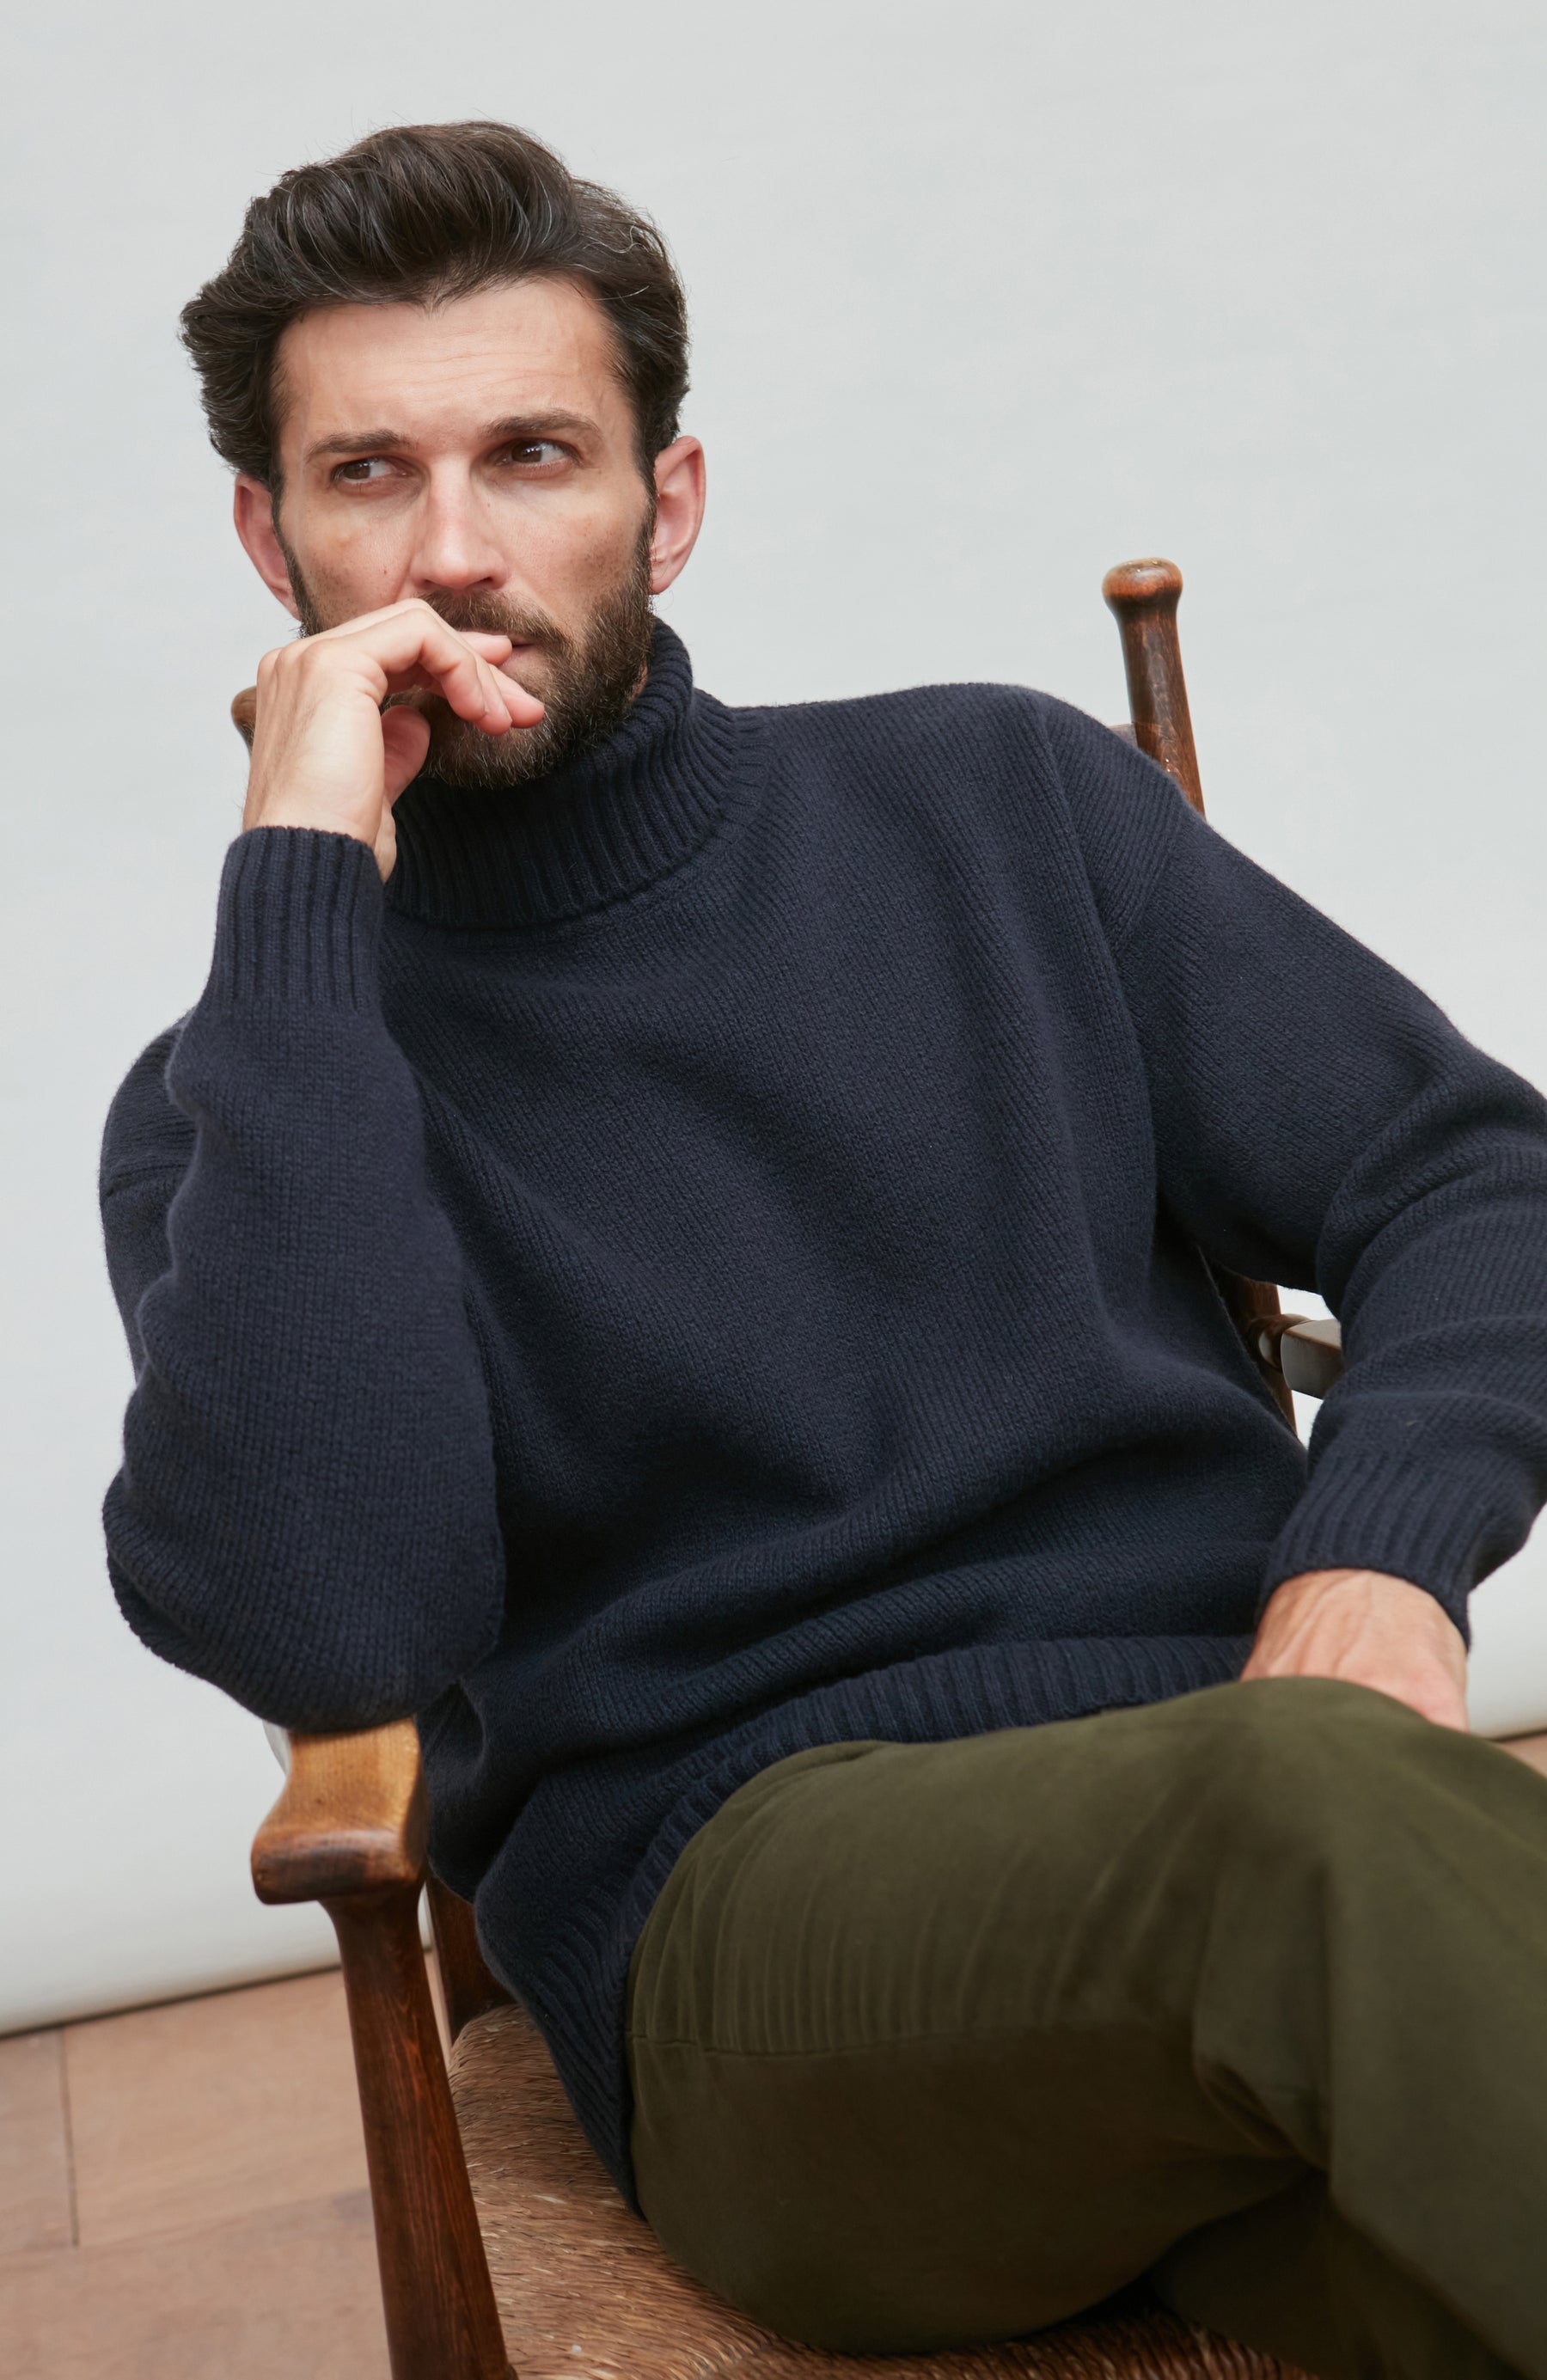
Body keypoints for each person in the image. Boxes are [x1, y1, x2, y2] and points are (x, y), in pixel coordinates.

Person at [99, 120, 1547, 2379]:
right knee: (1326, 1834)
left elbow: (1478, 1175)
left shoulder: (994, 805)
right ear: (269, 538)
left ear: (667, 503)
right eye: (370, 476)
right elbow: (330, 1617)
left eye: (536, 454)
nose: (456, 551)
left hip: (1259, 1813)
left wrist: (1373, 1546)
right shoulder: (251, 1092)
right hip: (766, 1954)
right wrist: (301, 867)